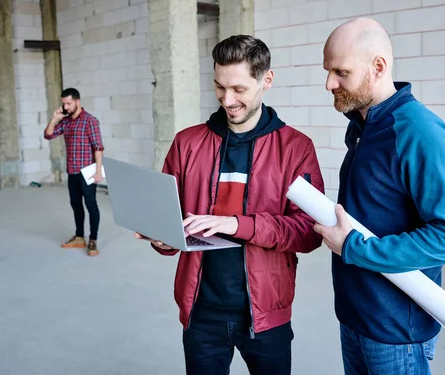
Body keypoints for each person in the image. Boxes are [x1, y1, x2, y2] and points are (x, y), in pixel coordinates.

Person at [134, 35, 324, 375]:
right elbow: (169, 219)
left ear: (267, 80)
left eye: (238, 89)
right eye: (220, 87)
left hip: (267, 313)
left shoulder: (296, 149)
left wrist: (237, 224)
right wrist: (162, 238)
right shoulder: (187, 143)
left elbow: (308, 233)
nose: (227, 99)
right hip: (201, 310)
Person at [314, 17, 445, 375]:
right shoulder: (363, 126)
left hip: (394, 333)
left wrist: (355, 248)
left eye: (341, 72)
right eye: (328, 71)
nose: (329, 83)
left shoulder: (420, 133)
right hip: (356, 316)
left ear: (378, 67)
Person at [44, 88, 105, 257]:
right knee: (75, 204)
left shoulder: (89, 121)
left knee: (91, 205)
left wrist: (98, 171)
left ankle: (93, 240)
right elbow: (48, 135)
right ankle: (79, 237)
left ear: (77, 102)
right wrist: (55, 118)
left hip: (88, 171)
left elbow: (98, 147)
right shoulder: (66, 121)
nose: (65, 106)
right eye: (64, 103)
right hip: (72, 171)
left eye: (68, 103)